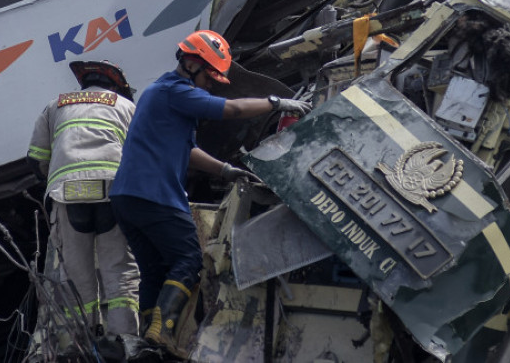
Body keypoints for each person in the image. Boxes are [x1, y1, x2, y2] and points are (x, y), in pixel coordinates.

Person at [110, 30, 311, 358]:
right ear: (191, 64)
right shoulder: (174, 90)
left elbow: (187, 150)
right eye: (209, 76)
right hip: (155, 194)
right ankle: (164, 333)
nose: (211, 84)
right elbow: (231, 110)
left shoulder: (159, 95)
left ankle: (149, 342)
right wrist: (277, 102)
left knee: (154, 271)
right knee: (189, 259)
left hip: (126, 198)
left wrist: (226, 170)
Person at [27, 59, 141, 347]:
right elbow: (142, 156)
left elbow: (37, 158)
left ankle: (83, 342)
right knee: (120, 269)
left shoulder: (55, 105)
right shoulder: (125, 106)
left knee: (76, 274)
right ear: (116, 86)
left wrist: (57, 181)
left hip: (68, 194)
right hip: (112, 191)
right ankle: (125, 341)